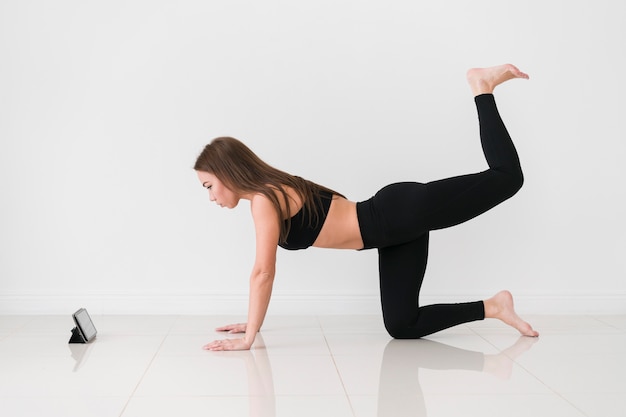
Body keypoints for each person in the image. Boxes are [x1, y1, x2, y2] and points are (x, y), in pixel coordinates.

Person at [194, 64, 539, 351]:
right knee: (402, 324)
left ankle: (482, 87)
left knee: (507, 178)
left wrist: (250, 335)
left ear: (227, 173)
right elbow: (263, 275)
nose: (210, 197)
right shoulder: (271, 192)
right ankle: (494, 306)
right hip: (392, 235)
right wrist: (252, 321)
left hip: (400, 212)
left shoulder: (265, 200)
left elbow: (262, 272)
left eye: (209, 185)